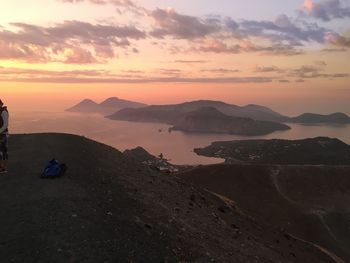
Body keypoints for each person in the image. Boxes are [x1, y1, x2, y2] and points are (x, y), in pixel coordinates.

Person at [0, 99, 9, 173]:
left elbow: (5, 124)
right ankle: (1, 167)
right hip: (1, 134)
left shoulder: (3, 112)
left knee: (3, 151)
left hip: (3, 135)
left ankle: (3, 168)